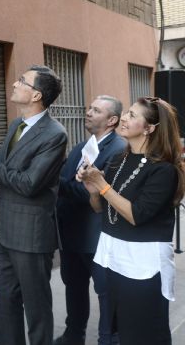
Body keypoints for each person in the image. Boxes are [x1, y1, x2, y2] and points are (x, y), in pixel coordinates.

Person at [0, 65, 67, 345]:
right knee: (5, 305)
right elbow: (7, 171)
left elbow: (29, 183)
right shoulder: (16, 125)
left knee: (37, 309)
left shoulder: (55, 134)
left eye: (22, 81)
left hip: (31, 235)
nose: (15, 83)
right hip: (5, 230)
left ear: (36, 96)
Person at [77, 97, 185, 345]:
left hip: (144, 266)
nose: (124, 118)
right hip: (115, 258)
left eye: (133, 115)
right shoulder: (119, 160)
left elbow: (137, 214)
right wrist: (93, 190)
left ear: (149, 128)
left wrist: (102, 185)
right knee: (123, 331)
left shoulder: (164, 170)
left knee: (145, 333)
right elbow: (100, 210)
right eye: (127, 112)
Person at [55, 96, 127, 345]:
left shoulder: (117, 150)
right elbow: (70, 180)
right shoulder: (82, 146)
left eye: (96, 110)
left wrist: (55, 183)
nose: (88, 112)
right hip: (71, 234)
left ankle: (109, 339)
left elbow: (92, 193)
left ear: (112, 120)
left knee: (105, 293)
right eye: (89, 108)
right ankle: (73, 335)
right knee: (74, 289)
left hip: (96, 237)